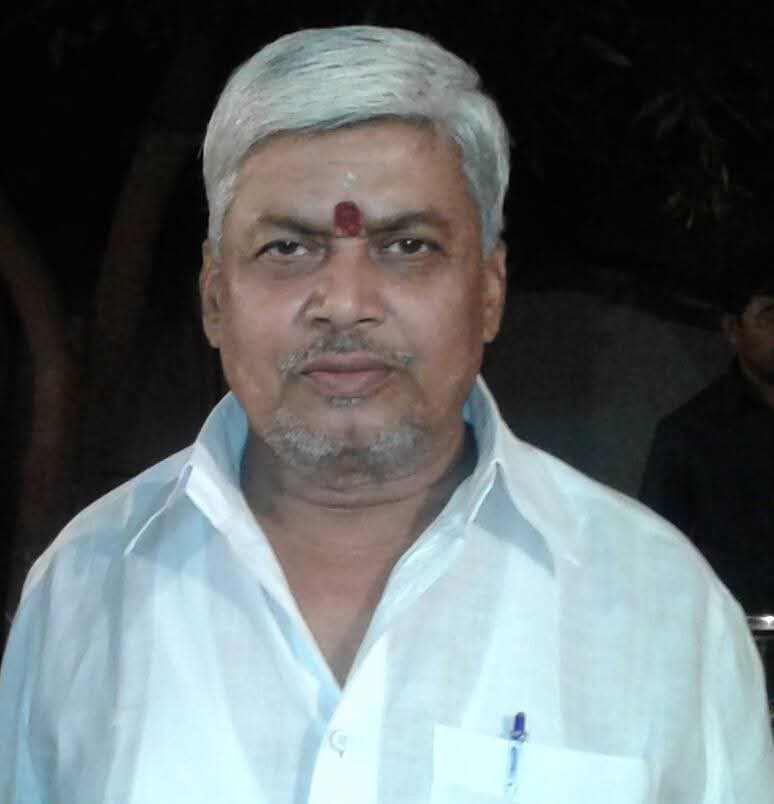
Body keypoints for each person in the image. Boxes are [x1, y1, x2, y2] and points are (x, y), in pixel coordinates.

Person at [1, 26, 772, 804]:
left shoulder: (660, 607)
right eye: (287, 249)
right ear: (212, 297)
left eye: (408, 246)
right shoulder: (82, 591)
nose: (345, 303)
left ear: (490, 290)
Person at [640, 264, 774, 614]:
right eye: (769, 314)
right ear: (733, 329)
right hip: (739, 631)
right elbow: (657, 550)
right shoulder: (690, 433)